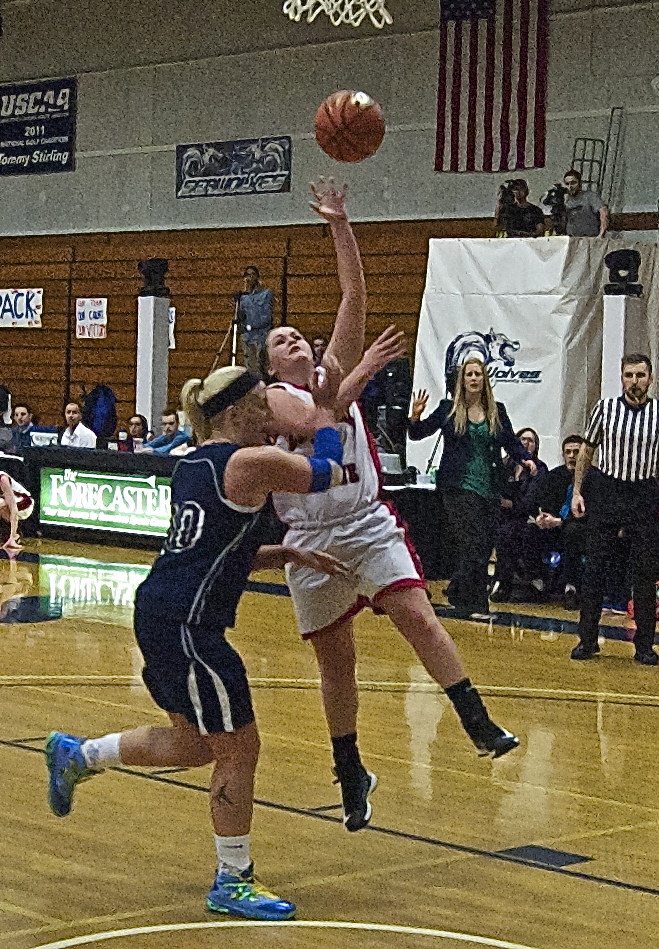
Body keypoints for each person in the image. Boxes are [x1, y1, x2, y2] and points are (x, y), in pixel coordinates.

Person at [44, 365, 352, 922]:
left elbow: (210, 550)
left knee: (195, 743)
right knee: (240, 748)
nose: (272, 416)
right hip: (189, 626)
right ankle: (233, 879)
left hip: (163, 612)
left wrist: (284, 553)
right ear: (235, 413)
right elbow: (326, 472)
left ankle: (79, 755)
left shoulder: (192, 463)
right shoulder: (247, 462)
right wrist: (328, 414)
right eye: (262, 405)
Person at [266, 180, 519, 835]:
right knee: (337, 664)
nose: (295, 340)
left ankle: (476, 720)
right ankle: (349, 769)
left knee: (418, 616)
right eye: (281, 339)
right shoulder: (272, 401)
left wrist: (339, 223)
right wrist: (363, 372)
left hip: (364, 522)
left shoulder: (331, 367)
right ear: (269, 364)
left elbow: (354, 295)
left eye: (299, 334)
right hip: (311, 540)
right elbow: (324, 415)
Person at [570, 353, 659, 666]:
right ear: (621, 378)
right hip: (607, 490)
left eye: (640, 375)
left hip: (643, 492)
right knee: (595, 568)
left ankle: (645, 645)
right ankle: (587, 640)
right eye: (629, 375)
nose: (634, 381)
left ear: (650, 379)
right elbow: (587, 450)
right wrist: (577, 491)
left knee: (645, 573)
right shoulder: (605, 408)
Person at [409, 360, 534, 616]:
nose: (474, 378)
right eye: (469, 374)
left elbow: (510, 441)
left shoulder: (497, 411)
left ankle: (458, 589)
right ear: (462, 380)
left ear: (484, 380)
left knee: (485, 544)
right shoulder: (448, 409)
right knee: (473, 542)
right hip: (458, 486)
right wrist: (415, 416)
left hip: (489, 486)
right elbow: (418, 433)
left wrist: (525, 459)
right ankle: (476, 603)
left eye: (478, 374)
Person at [492, 427, 548, 601]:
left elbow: (531, 501)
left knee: (509, 533)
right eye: (523, 439)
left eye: (531, 441)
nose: (526, 443)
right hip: (503, 516)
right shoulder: (504, 465)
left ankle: (512, 581)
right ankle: (499, 581)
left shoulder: (539, 468)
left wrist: (509, 504)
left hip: (528, 517)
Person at [534, 435, 588, 610]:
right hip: (554, 524)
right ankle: (536, 582)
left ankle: (571, 588)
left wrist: (560, 522)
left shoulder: (594, 478)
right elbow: (544, 502)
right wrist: (543, 517)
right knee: (528, 530)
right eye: (568, 452)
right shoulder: (554, 476)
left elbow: (590, 513)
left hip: (579, 527)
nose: (571, 456)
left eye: (576, 452)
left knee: (573, 532)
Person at [237, 266, 274, 378]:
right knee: (251, 370)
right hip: (248, 338)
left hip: (261, 336)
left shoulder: (265, 294)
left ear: (257, 277)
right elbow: (240, 316)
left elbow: (266, 317)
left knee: (263, 368)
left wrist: (250, 326)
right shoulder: (243, 297)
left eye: (253, 274)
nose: (250, 277)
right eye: (248, 275)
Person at [562, 169, 609, 238]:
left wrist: (601, 234)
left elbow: (603, 213)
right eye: (567, 184)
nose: (570, 187)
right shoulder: (565, 200)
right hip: (571, 238)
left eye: (573, 183)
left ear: (580, 183)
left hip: (590, 238)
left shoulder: (590, 197)